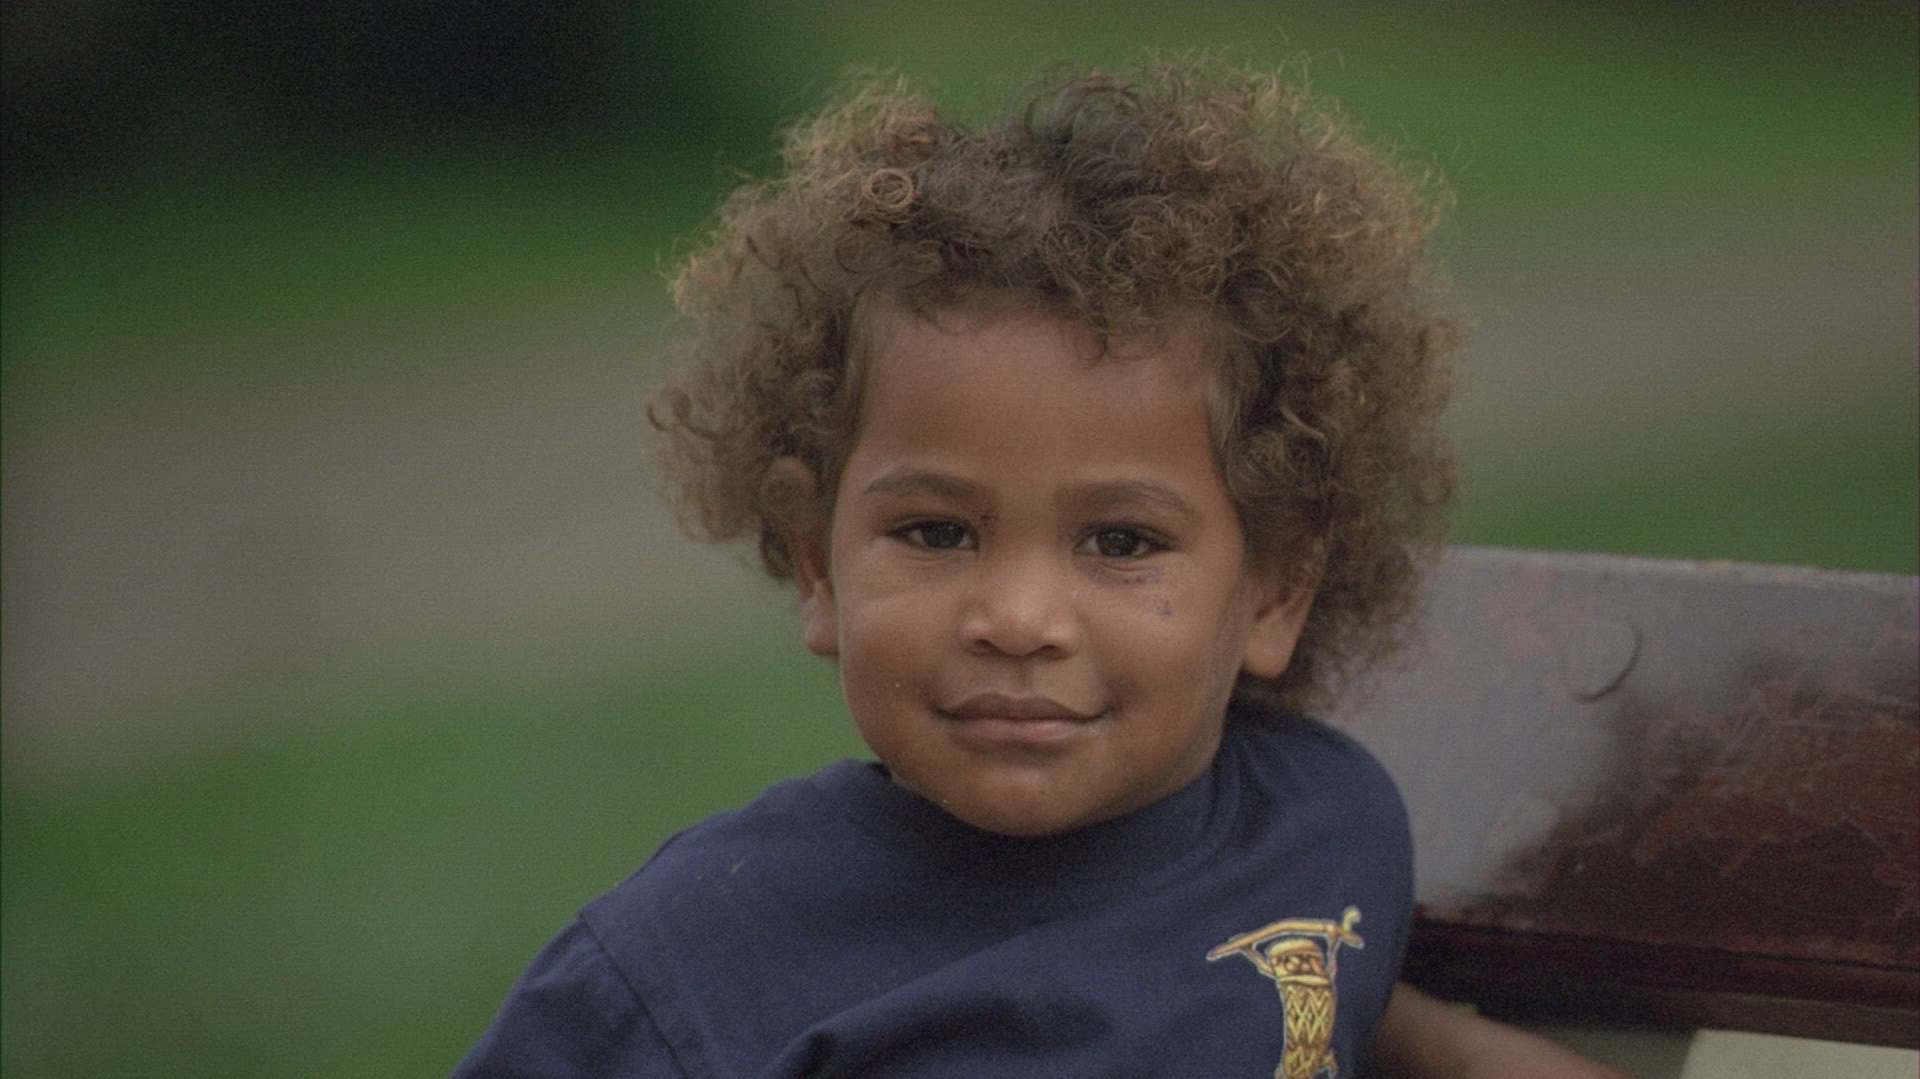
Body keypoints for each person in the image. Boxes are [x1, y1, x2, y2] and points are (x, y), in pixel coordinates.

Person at [456, 62, 1624, 1078]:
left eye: (1120, 542)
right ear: (817, 563)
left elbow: (1335, 1005)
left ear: (1276, 587)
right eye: (937, 532)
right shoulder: (696, 960)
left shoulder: (1322, 829)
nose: (1017, 619)